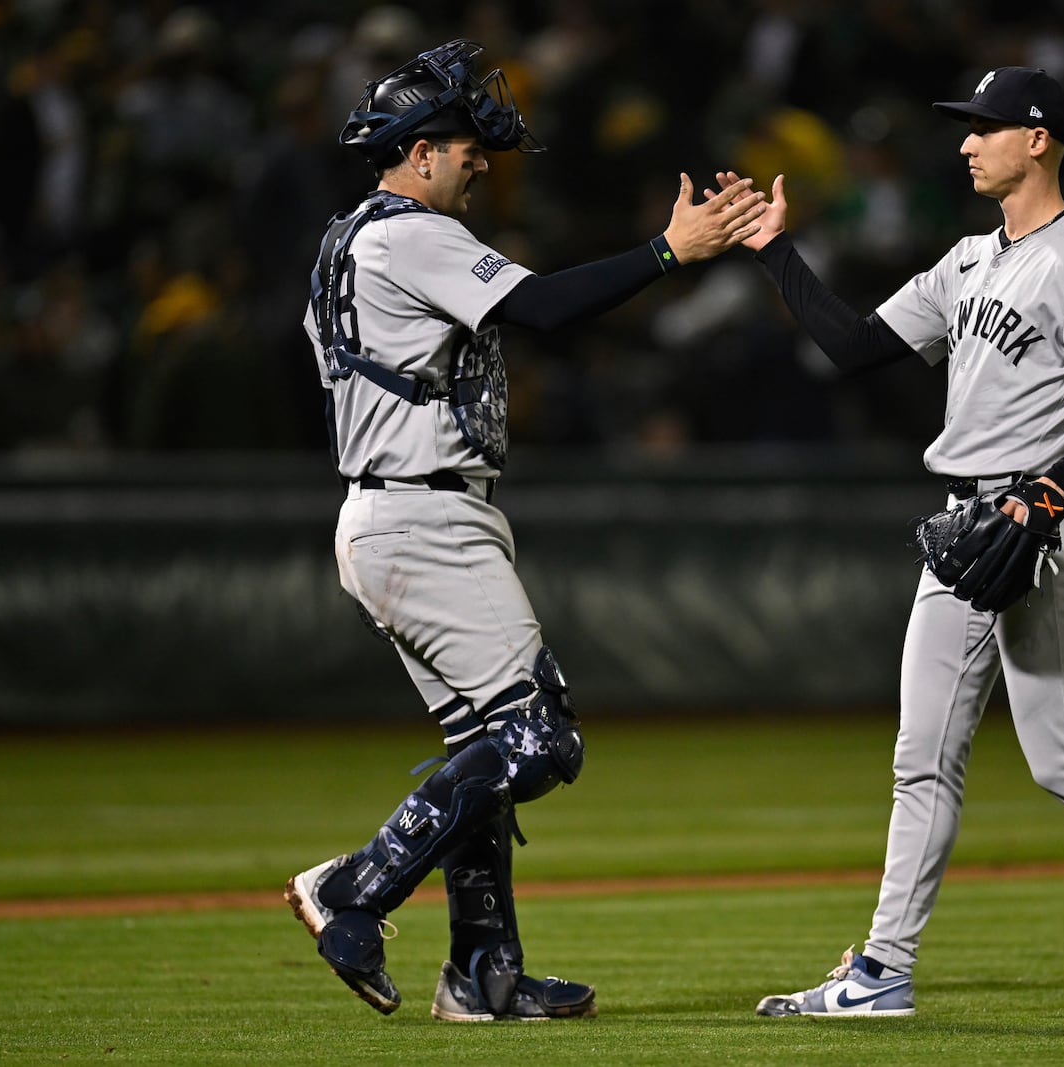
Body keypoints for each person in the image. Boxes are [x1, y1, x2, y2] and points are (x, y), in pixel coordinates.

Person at [724, 66, 1064, 1018]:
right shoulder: (969, 261)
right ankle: (883, 971)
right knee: (920, 755)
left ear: (1039, 139)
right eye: (966, 127)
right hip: (967, 527)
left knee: (1063, 755)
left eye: (985, 126)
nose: (968, 142)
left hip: (1042, 526)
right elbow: (856, 348)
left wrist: (1051, 494)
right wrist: (777, 252)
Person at [283, 38, 763, 1022]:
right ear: (415, 149)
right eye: (462, 140)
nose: (480, 158)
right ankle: (356, 886)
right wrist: (670, 251)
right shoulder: (408, 232)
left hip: (394, 509)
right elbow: (542, 306)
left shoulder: (346, 240)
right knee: (540, 737)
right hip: (423, 514)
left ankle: (481, 973)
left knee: (486, 753)